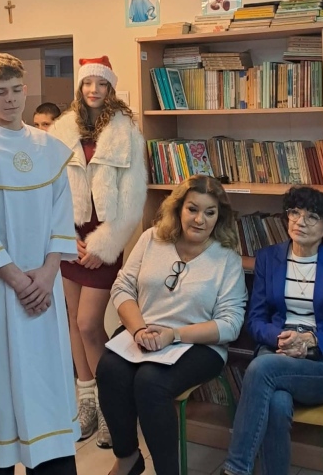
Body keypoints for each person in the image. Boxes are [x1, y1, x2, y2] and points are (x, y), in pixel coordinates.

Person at [0, 52, 80, 474]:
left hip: (44, 288)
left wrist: (47, 274)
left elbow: (62, 215)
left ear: (25, 90)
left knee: (47, 375)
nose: (8, 100)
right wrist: (18, 280)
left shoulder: (48, 149)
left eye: (14, 91)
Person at [96, 175, 246, 475]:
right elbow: (122, 287)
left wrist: (174, 335)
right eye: (193, 209)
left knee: (150, 382)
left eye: (210, 212)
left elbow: (230, 324)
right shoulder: (151, 238)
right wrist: (139, 329)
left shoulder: (227, 259)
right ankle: (128, 458)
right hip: (144, 332)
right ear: (178, 208)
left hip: (197, 343)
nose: (200, 220)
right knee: (109, 369)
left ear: (220, 217)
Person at [222, 187, 323, 475]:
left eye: (312, 217)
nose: (300, 222)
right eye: (295, 213)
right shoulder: (268, 258)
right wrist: (281, 339)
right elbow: (256, 319)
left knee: (261, 369)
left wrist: (310, 340)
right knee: (276, 402)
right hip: (278, 350)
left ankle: (235, 470)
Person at [51, 56, 147, 446]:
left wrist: (103, 246)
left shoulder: (126, 132)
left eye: (101, 84)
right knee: (72, 322)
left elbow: (132, 201)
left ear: (110, 89)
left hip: (104, 239)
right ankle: (86, 401)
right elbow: (50, 191)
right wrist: (62, 237)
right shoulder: (60, 129)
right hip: (68, 239)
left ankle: (112, 405)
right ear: (80, 87)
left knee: (90, 323)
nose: (93, 90)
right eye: (88, 83)